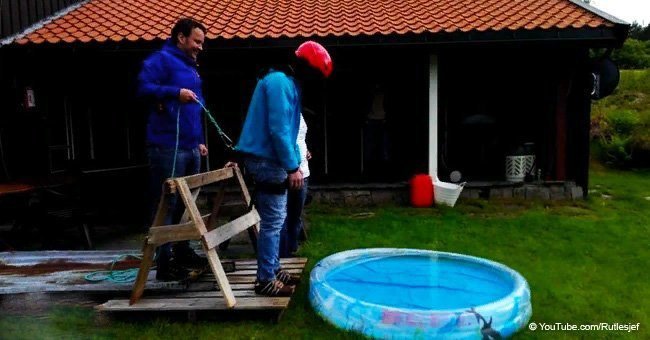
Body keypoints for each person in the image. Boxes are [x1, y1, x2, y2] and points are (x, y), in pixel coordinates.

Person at [233, 41, 332, 296]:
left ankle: (273, 267)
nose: (316, 81)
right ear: (306, 66)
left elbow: (288, 132)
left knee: (277, 219)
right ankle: (265, 279)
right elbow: (278, 130)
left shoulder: (288, 84)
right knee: (273, 220)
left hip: (271, 158)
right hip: (267, 160)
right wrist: (292, 167)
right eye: (316, 75)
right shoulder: (279, 82)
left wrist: (297, 158)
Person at [137, 18, 209, 281]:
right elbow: (143, 88)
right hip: (167, 146)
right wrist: (173, 92)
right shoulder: (161, 60)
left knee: (186, 206)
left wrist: (200, 139)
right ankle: (164, 264)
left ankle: (182, 252)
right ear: (181, 38)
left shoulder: (191, 67)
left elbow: (194, 110)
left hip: (190, 146)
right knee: (166, 205)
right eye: (196, 41)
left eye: (202, 43)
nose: (200, 47)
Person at [279, 113, 311, 258]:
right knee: (282, 215)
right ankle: (282, 253)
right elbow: (282, 140)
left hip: (303, 170)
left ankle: (292, 248)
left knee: (296, 214)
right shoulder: (281, 110)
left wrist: (305, 151)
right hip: (289, 171)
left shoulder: (298, 111)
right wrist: (293, 166)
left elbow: (299, 138)